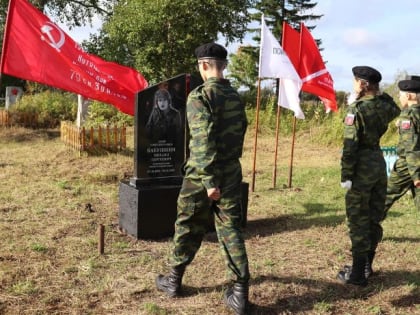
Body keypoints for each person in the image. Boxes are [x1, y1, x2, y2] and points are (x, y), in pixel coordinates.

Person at [155, 42, 250, 315]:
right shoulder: (234, 95)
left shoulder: (199, 96)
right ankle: (240, 293)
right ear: (224, 66)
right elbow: (239, 132)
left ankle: (173, 281)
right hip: (231, 170)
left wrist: (209, 181)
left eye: (200, 66)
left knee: (187, 223)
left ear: (204, 65)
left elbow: (202, 139)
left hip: (202, 174)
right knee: (231, 229)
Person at [337, 66, 401, 286]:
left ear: (363, 85)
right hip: (378, 163)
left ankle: (357, 274)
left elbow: (350, 146)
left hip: (361, 167)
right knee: (374, 216)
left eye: (356, 82)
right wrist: (379, 93)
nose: (354, 86)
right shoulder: (383, 106)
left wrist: (346, 176)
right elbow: (395, 108)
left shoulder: (356, 110)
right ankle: (367, 265)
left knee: (357, 219)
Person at [383, 77, 420, 215]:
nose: (399, 98)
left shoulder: (408, 116)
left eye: (400, 95)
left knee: (385, 196)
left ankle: (365, 230)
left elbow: (411, 146)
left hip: (408, 165)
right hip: (416, 164)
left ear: (409, 95)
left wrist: (416, 175)